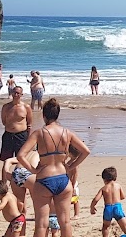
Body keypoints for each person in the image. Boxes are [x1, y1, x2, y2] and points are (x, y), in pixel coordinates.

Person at [17, 98, 90, 237]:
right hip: (63, 179)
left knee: (42, 223)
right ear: (57, 115)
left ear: (44, 115)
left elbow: (21, 155)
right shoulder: (67, 132)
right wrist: (70, 165)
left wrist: (32, 170)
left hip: (45, 178)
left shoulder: (39, 133)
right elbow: (85, 151)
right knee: (65, 222)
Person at [90, 166, 126, 237]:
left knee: (105, 226)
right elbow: (123, 197)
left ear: (104, 179)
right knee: (125, 227)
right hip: (117, 207)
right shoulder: (118, 186)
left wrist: (92, 207)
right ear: (115, 178)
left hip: (108, 209)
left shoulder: (104, 188)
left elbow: (96, 199)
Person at [0, 86, 33, 162]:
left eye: (18, 93)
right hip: (8, 135)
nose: (15, 95)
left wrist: (29, 140)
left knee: (21, 159)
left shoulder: (26, 107)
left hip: (21, 136)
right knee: (6, 160)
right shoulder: (6, 107)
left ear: (21, 94)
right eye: (14, 92)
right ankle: (6, 173)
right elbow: (4, 121)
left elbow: (29, 125)